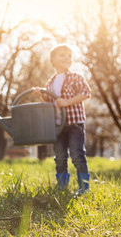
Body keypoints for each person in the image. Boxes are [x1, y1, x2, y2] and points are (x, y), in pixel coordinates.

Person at [33, 44, 91, 196]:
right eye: (62, 55)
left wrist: (67, 101)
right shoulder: (50, 82)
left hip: (74, 124)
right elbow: (48, 101)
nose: (67, 58)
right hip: (58, 126)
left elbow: (86, 93)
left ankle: (84, 189)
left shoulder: (75, 77)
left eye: (69, 56)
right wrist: (40, 93)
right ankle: (62, 188)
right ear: (53, 60)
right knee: (59, 157)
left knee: (77, 155)